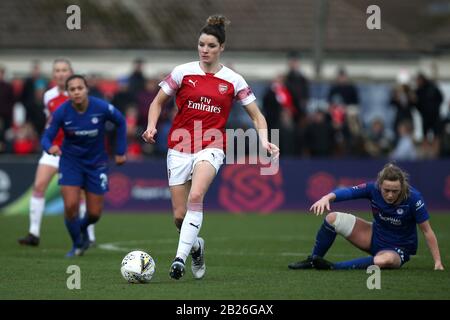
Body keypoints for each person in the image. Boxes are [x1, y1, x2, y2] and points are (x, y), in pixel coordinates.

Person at [142, 15, 280, 280]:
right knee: (180, 218)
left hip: (212, 146)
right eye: (201, 44)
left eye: (211, 45)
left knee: (196, 197)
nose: (205, 50)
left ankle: (179, 260)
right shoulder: (183, 71)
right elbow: (157, 103)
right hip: (179, 146)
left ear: (222, 48)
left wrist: (263, 139)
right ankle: (196, 246)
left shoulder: (233, 80)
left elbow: (256, 115)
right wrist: (151, 126)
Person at [288, 163, 444, 271]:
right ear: (380, 184)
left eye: (395, 191)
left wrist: (437, 262)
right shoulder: (373, 188)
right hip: (373, 236)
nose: (390, 195)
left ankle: (332, 267)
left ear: (402, 186)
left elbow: (427, 231)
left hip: (398, 249)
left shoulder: (414, 198)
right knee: (332, 219)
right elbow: (349, 192)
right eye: (386, 190)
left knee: (385, 260)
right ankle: (313, 260)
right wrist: (327, 197)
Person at [41, 74, 127, 257]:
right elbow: (46, 137)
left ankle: (81, 228)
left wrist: (120, 151)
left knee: (94, 214)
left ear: (86, 89)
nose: (77, 92)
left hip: (97, 164)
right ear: (68, 93)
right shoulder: (62, 112)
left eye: (80, 88)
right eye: (72, 89)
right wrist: (50, 147)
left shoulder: (101, 107)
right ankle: (78, 244)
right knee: (71, 206)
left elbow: (120, 121)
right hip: (70, 163)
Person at [18, 59, 96, 247]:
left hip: (75, 152)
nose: (60, 73)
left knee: (83, 194)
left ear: (71, 72)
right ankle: (33, 233)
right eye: (57, 70)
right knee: (39, 186)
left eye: (64, 70)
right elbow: (50, 120)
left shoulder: (79, 95)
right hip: (53, 150)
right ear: (54, 74)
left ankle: (90, 236)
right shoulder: (48, 96)